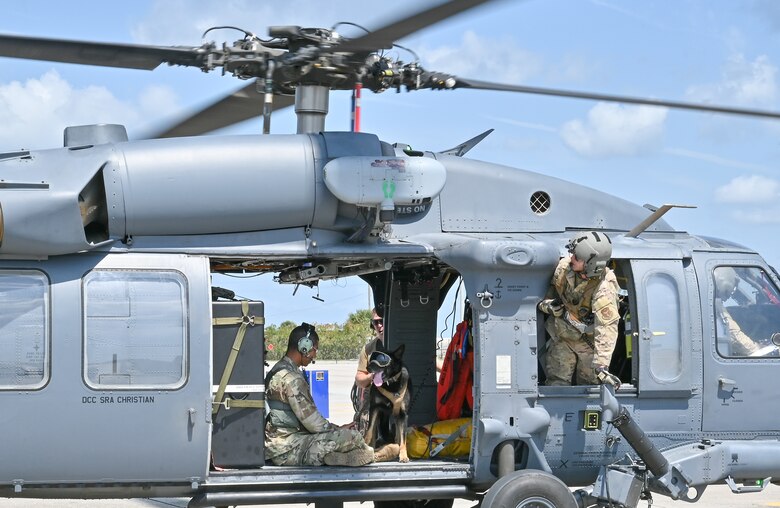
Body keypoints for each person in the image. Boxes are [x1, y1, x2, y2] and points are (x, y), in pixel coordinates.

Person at [265, 323, 378, 466]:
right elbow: (314, 424)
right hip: (288, 450)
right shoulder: (291, 378)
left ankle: (336, 457)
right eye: (314, 349)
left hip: (279, 446)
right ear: (303, 346)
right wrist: (339, 429)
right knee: (353, 437)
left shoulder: (277, 370)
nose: (314, 355)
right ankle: (367, 455)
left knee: (340, 437)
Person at [538, 231, 621, 386]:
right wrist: (548, 307)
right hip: (561, 335)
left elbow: (607, 327)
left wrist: (601, 365)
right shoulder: (564, 268)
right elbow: (544, 296)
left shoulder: (604, 288)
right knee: (556, 384)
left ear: (590, 265)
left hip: (587, 343)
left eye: (576, 257)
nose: (571, 258)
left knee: (588, 389)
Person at [714, 267, 761, 356]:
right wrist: (758, 350)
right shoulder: (715, 305)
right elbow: (734, 336)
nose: (732, 292)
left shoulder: (711, 302)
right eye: (734, 285)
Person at [352, 308, 384, 437]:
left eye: (382, 321)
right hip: (374, 405)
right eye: (376, 322)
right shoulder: (368, 349)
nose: (380, 325)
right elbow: (359, 378)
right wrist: (372, 376)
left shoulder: (403, 345)